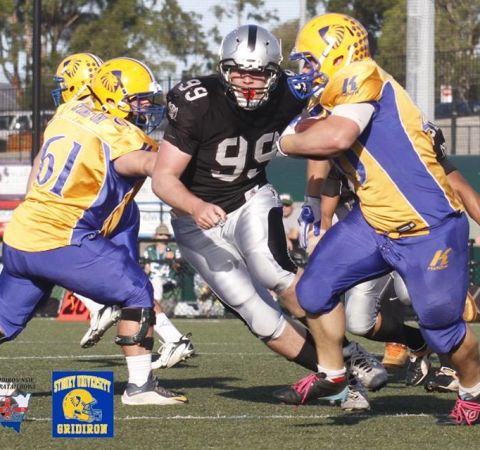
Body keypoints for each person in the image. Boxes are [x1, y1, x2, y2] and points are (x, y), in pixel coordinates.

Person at [151, 23, 378, 412]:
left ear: (274, 73)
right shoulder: (196, 101)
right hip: (194, 216)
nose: (247, 82)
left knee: (276, 273)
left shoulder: (292, 93)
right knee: (257, 315)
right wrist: (195, 206)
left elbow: (333, 127)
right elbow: (163, 178)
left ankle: (345, 353)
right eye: (239, 71)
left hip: (249, 197)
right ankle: (341, 376)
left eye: (257, 73)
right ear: (224, 69)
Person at [277, 12, 480, 425]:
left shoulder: (363, 74)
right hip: (373, 223)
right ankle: (333, 374)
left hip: (428, 228)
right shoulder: (336, 97)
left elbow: (335, 138)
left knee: (441, 328)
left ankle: (474, 391)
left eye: (311, 61)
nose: (305, 71)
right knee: (311, 292)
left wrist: (280, 139)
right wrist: (318, 212)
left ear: (338, 54)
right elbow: (321, 158)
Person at [0, 57, 187, 406]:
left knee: (3, 320)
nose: (146, 108)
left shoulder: (69, 112)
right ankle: (140, 387)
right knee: (136, 289)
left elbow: (41, 159)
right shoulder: (123, 136)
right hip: (62, 238)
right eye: (139, 100)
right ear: (115, 96)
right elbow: (148, 164)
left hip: (22, 232)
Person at [143, 223, 195, 369]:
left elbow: (178, 268)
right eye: (160, 234)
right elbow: (147, 269)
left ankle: (151, 309)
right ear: (155, 236)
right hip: (153, 282)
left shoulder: (170, 249)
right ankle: (151, 309)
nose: (163, 237)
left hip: (169, 282)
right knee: (153, 282)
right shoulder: (150, 250)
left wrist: (172, 260)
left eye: (165, 235)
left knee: (157, 282)